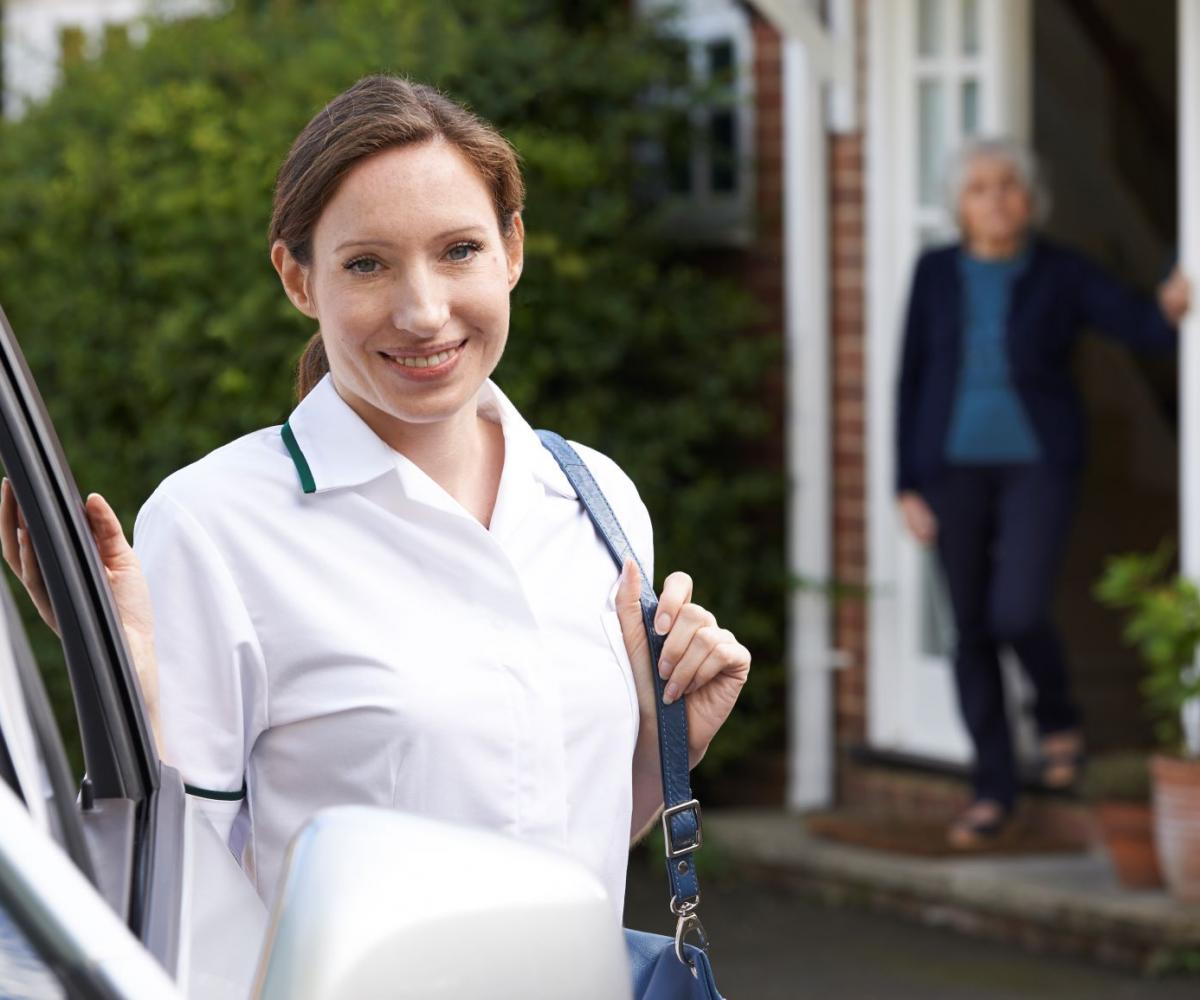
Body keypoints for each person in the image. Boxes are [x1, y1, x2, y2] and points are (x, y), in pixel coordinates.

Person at [0, 75, 750, 916]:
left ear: (513, 249)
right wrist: (133, 693)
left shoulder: (594, 497)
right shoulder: (215, 523)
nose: (424, 312)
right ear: (298, 280)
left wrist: (672, 742)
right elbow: (172, 893)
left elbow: (569, 835)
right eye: (367, 264)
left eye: (459, 250)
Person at [895, 137, 1190, 849]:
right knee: (971, 626)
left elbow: (1143, 326)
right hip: (949, 470)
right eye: (980, 189)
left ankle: (1058, 716)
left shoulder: (1059, 272)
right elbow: (910, 377)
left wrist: (1176, 294)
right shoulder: (935, 272)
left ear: (1031, 200)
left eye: (1009, 186)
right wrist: (905, 482)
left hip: (1038, 465)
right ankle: (993, 787)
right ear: (959, 206)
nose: (996, 200)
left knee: (1018, 608)